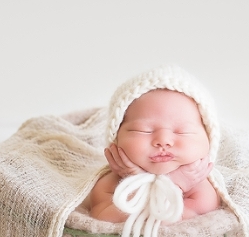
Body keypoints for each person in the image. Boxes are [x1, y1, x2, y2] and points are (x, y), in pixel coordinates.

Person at [88, 88, 220, 222]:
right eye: (143, 130)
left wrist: (173, 185)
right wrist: (138, 182)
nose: (163, 141)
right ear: (115, 139)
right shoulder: (109, 184)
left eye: (183, 132)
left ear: (209, 140)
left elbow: (195, 225)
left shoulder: (200, 186)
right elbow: (102, 218)